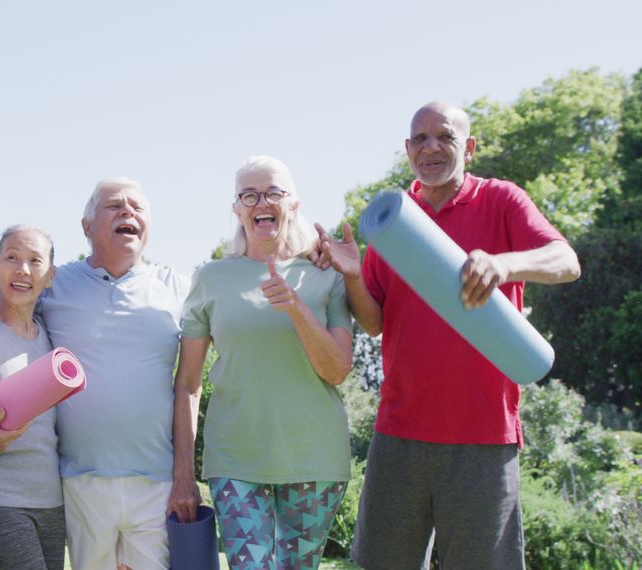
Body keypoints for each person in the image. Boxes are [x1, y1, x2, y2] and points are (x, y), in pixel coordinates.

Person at [315, 101, 581, 569]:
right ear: (407, 149)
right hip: (399, 432)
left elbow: (566, 262)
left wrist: (504, 264)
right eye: (420, 139)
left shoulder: (502, 200)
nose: (430, 147)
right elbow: (375, 323)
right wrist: (355, 276)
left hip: (482, 435)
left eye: (445, 137)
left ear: (470, 148)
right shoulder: (395, 222)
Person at [168, 156, 353, 569]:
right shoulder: (211, 278)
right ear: (237, 209)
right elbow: (188, 385)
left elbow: (338, 369)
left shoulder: (327, 274)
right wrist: (184, 471)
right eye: (248, 195)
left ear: (294, 204)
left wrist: (296, 308)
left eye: (273, 192)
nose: (260, 202)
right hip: (235, 460)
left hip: (315, 459)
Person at [37, 177, 189, 570]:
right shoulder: (52, 284)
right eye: (115, 206)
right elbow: (0, 309)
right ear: (86, 226)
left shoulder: (178, 288)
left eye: (138, 208)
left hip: (157, 482)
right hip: (80, 478)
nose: (128, 213)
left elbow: (194, 382)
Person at [0, 225, 66, 570]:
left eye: (34, 261)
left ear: (49, 275)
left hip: (53, 502)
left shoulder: (52, 336)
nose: (22, 269)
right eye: (12, 257)